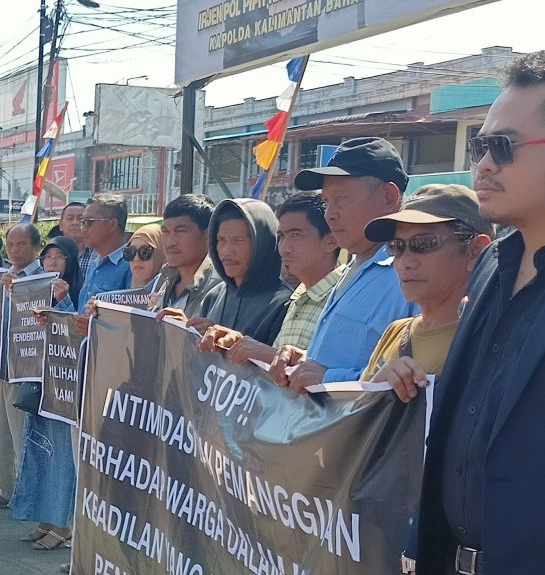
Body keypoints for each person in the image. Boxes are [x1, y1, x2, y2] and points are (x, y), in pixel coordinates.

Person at [409, 53, 545, 575]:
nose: (481, 165)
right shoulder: (493, 266)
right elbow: (458, 425)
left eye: (502, 147)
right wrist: (424, 564)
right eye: (478, 146)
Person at [270, 137, 415, 392]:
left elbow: (414, 382)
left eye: (342, 199)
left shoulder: (408, 275)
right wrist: (306, 362)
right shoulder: (354, 266)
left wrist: (328, 379)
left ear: (389, 196)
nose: (329, 214)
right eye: (327, 202)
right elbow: (355, 363)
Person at [360, 185, 491, 388]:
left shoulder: (493, 339)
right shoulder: (395, 332)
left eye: (424, 244)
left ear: (475, 251)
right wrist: (374, 395)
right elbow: (357, 417)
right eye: (396, 246)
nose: (405, 262)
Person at [198, 191, 343, 364]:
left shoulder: (344, 299)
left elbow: (337, 377)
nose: (284, 248)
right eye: (281, 237)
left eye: (296, 235)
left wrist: (264, 354)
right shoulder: (299, 298)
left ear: (331, 241)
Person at [10, 236, 81, 549]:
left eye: (60, 257)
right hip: (38, 380)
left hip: (65, 385)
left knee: (63, 454)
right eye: (48, 257)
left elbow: (77, 334)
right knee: (40, 449)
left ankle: (63, 524)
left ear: (71, 263)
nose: (52, 263)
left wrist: (63, 303)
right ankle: (46, 517)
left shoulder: (75, 290)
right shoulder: (35, 290)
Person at [0, 223, 43, 508]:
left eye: (21, 244)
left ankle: (23, 496)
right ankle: (5, 491)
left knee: (21, 437)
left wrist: (18, 290)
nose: (14, 250)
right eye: (11, 244)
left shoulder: (44, 278)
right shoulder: (3, 275)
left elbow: (39, 318)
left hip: (23, 369)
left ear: (35, 247)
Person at [188, 199, 292, 344]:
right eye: (221, 240)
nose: (227, 251)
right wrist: (184, 330)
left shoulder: (284, 304)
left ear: (262, 244)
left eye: (238, 240)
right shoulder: (214, 296)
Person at [149, 194, 220, 312]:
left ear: (207, 235)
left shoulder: (218, 288)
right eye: (165, 232)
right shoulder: (164, 280)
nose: (170, 242)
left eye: (180, 231)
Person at [60, 201, 97, 280]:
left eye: (80, 219)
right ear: (60, 225)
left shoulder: (98, 256)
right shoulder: (51, 256)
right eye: (70, 218)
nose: (75, 223)